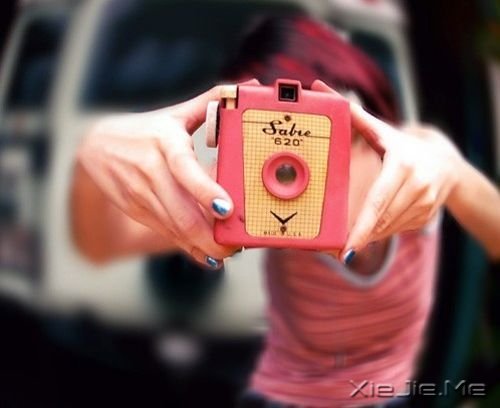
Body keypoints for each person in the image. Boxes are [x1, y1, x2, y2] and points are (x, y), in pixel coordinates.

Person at [71, 15, 500, 407]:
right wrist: (90, 159)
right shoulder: (240, 192)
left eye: (323, 131)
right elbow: (102, 242)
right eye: (272, 138)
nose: (299, 167)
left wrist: (457, 176)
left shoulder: (421, 162)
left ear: (367, 111)